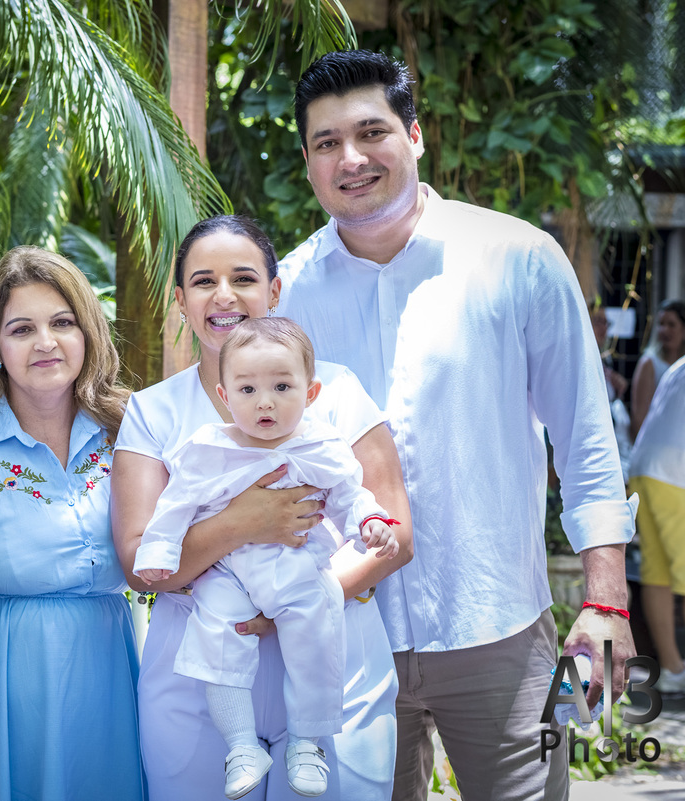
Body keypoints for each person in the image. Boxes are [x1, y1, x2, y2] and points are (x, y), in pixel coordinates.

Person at [277, 49, 637, 801]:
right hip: (343, 637)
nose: (351, 158)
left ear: (415, 135)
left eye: (371, 131)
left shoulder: (518, 257)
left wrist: (605, 604)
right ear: (307, 161)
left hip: (503, 630)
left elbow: (586, 440)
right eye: (326, 142)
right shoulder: (285, 293)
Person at [112, 215, 414, 801]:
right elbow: (138, 560)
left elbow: (395, 532)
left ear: (274, 292)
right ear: (180, 300)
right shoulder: (153, 414)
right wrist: (242, 523)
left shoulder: (337, 390)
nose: (224, 295)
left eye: (243, 278)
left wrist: (298, 606)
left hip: (332, 652)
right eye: (203, 281)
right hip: (200, 670)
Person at [0, 247, 145, 801]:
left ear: (88, 333)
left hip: (107, 677)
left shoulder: (133, 435)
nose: (46, 342)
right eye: (22, 329)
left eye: (63, 323)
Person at [631, 355, 685, 692]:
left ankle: (672, 670)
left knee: (657, 574)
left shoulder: (679, 363)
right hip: (674, 473)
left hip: (644, 466)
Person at [631, 299, 685, 439]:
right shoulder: (649, 363)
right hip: (657, 446)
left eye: (671, 325)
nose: (664, 330)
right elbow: (639, 419)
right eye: (661, 324)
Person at [590, 304, 632, 481]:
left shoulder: (604, 360)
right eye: (598, 321)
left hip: (618, 464)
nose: (604, 328)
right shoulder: (581, 362)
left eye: (606, 322)